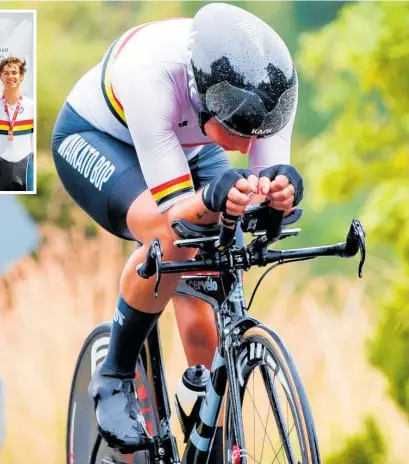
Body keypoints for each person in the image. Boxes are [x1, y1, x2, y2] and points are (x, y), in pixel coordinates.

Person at [51, 2, 304, 457]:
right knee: (175, 239)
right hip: (100, 137)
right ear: (208, 100)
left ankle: (210, 430)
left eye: (259, 131)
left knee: (214, 275)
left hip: (184, 144)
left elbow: (265, 190)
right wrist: (211, 200)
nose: (250, 145)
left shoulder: (267, 91)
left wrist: (281, 198)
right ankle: (115, 374)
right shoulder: (153, 77)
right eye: (240, 131)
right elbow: (175, 215)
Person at [0, 57, 34, 192]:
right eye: (6, 73)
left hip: (24, 164)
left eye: (14, 72)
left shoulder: (31, 106)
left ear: (22, 76)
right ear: (1, 76)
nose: (10, 76)